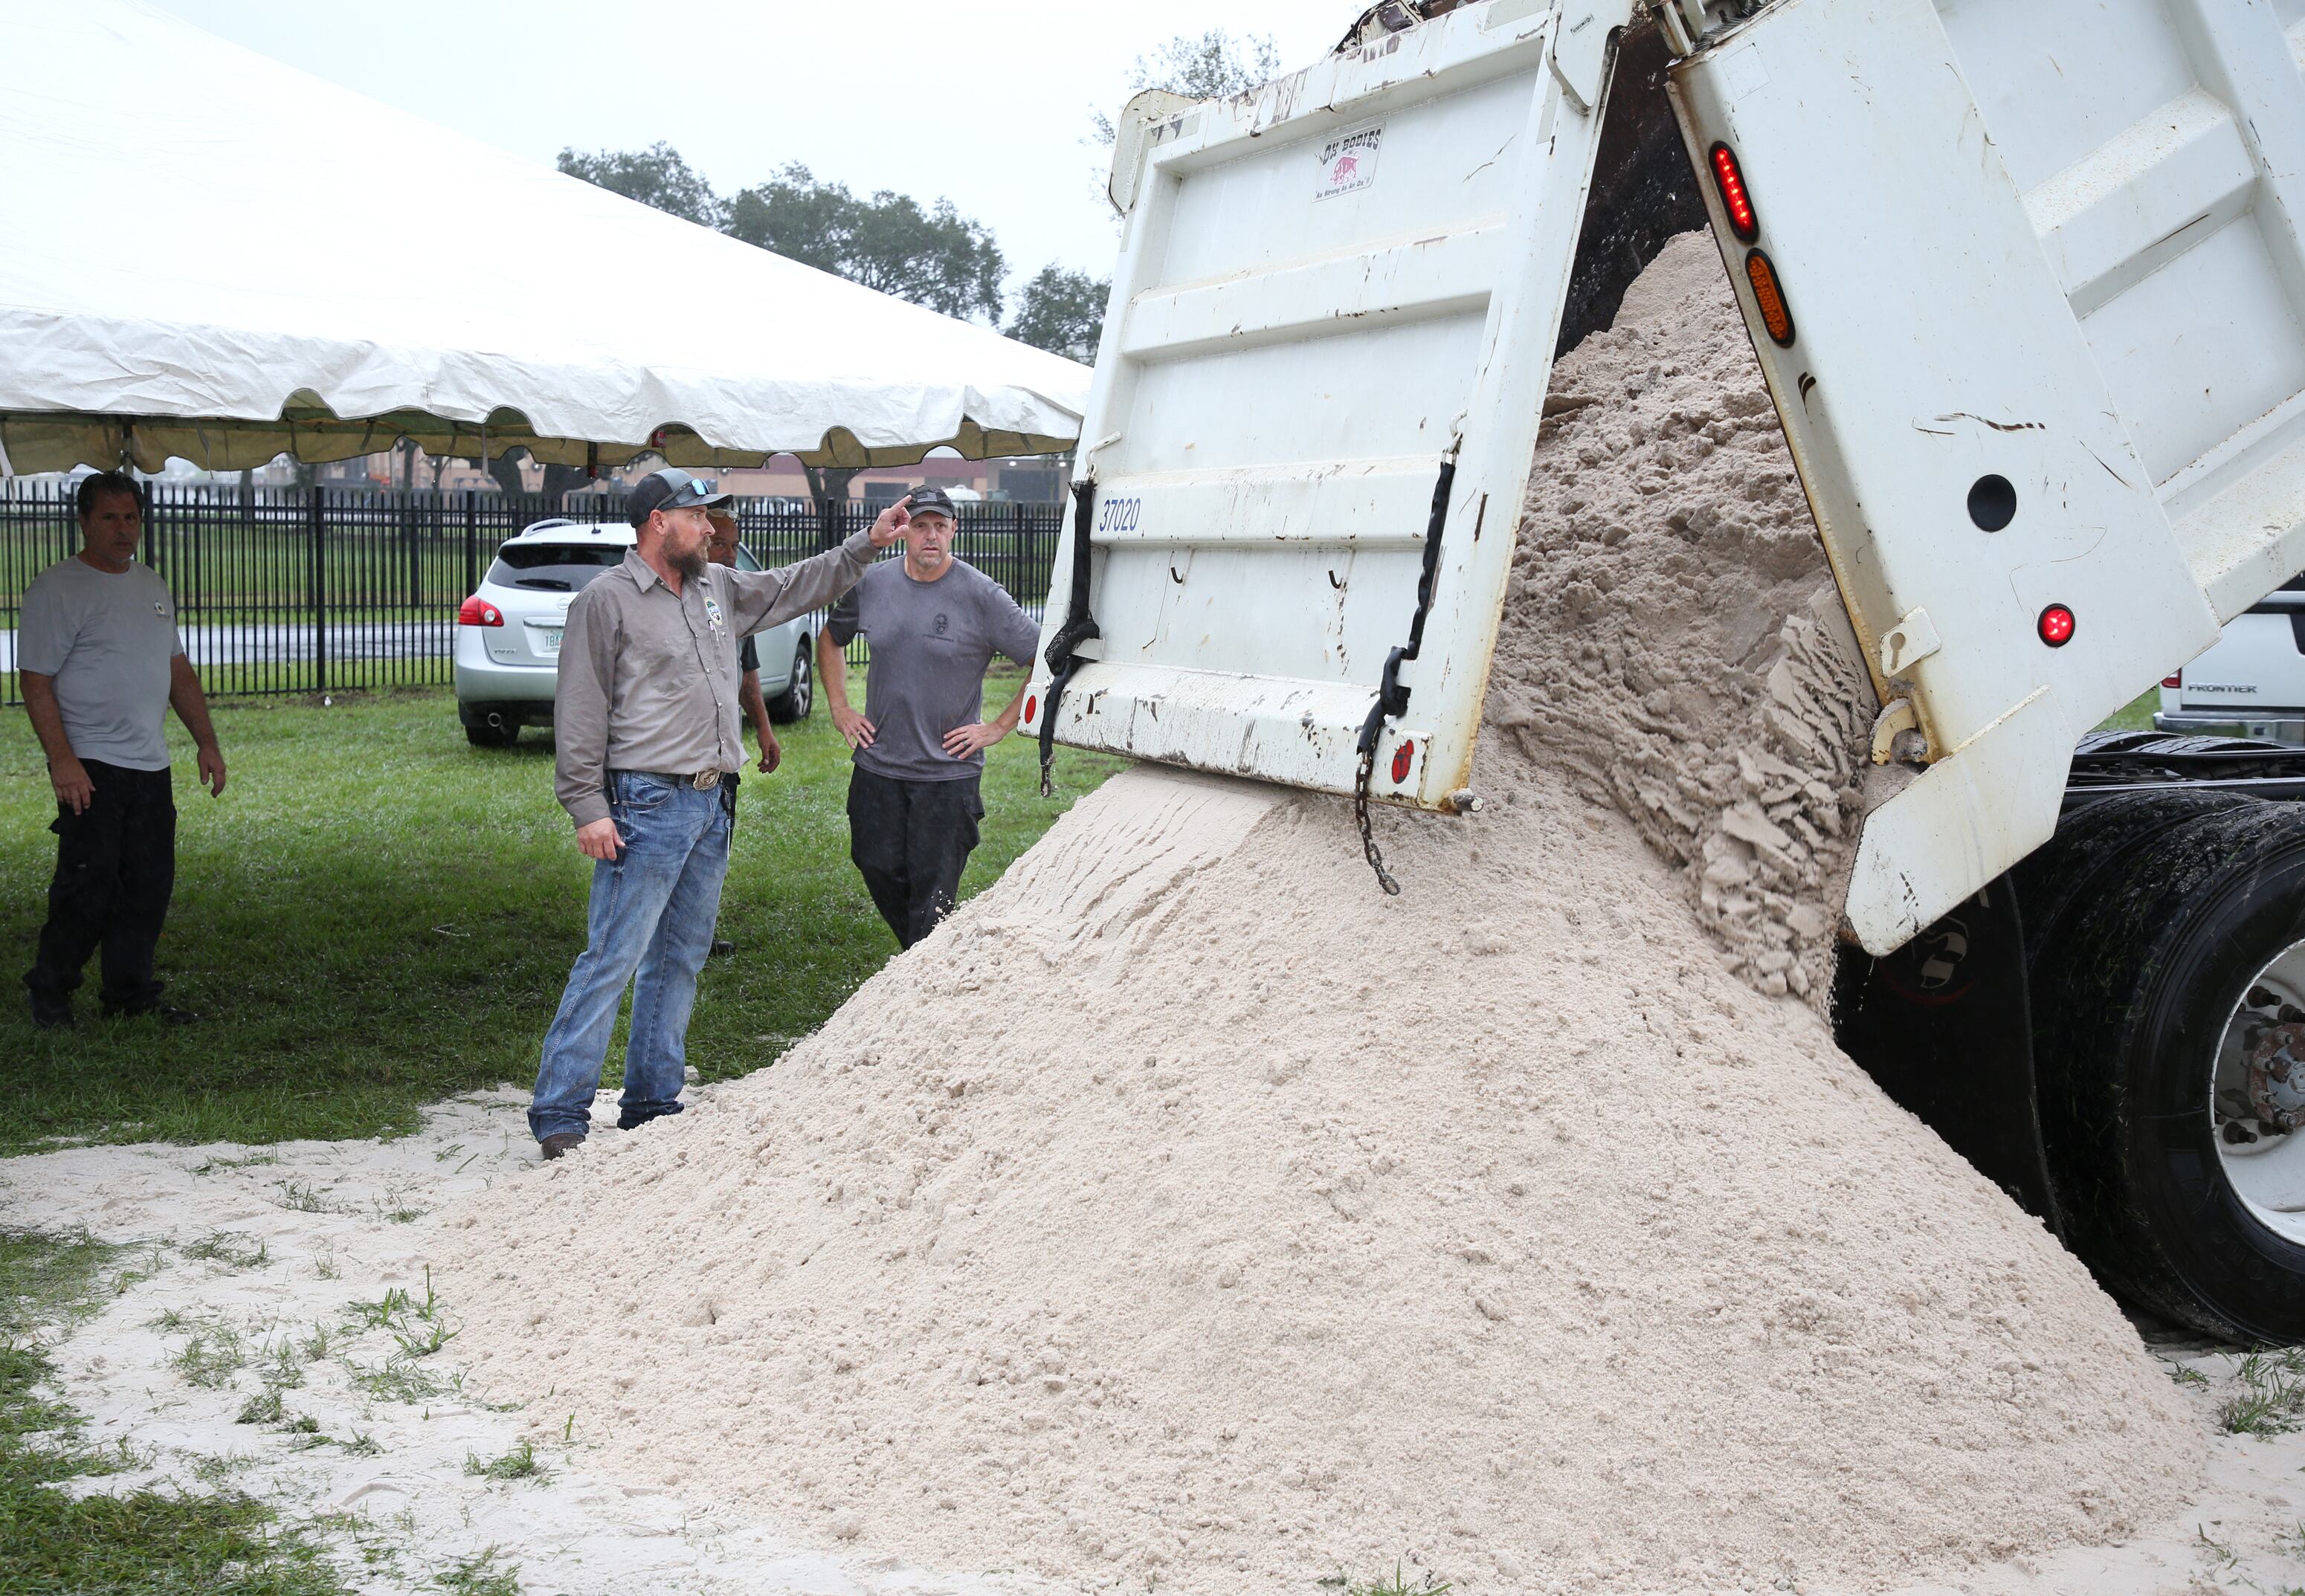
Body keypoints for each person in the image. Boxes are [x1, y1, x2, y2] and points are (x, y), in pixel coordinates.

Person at [529, 468, 905, 1158]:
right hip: (643, 801)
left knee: (680, 958)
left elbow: (795, 586)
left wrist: (866, 544)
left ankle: (651, 1101)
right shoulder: (604, 603)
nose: (710, 529)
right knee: (614, 954)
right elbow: (580, 712)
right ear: (657, 522)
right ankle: (560, 1112)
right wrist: (587, 806)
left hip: (710, 802)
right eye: (698, 516)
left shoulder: (715, 589)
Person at [19, 471, 225, 1029]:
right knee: (89, 882)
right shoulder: (56, 589)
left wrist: (205, 742)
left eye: (130, 517)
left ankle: (131, 998)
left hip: (150, 764)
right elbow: (35, 680)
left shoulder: (152, 586)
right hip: (91, 763)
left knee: (147, 886)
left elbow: (176, 669)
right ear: (84, 521)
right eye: (109, 517)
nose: (122, 529)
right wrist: (62, 760)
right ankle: (51, 989)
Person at [818, 487, 1041, 949]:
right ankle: (928, 963)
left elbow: (1046, 658)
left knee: (932, 893)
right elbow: (831, 639)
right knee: (873, 862)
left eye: (940, 525)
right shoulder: (873, 584)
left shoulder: (981, 595)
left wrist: (999, 727)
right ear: (904, 531)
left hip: (947, 776)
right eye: (920, 526)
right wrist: (840, 707)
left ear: (953, 530)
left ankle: (923, 982)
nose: (931, 535)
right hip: (879, 767)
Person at [703, 505, 781, 959]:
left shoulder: (730, 606)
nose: (731, 555)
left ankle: (701, 931)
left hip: (724, 758)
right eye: (721, 544)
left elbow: (748, 675)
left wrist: (765, 733)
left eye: (735, 546)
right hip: (675, 765)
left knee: (717, 845)